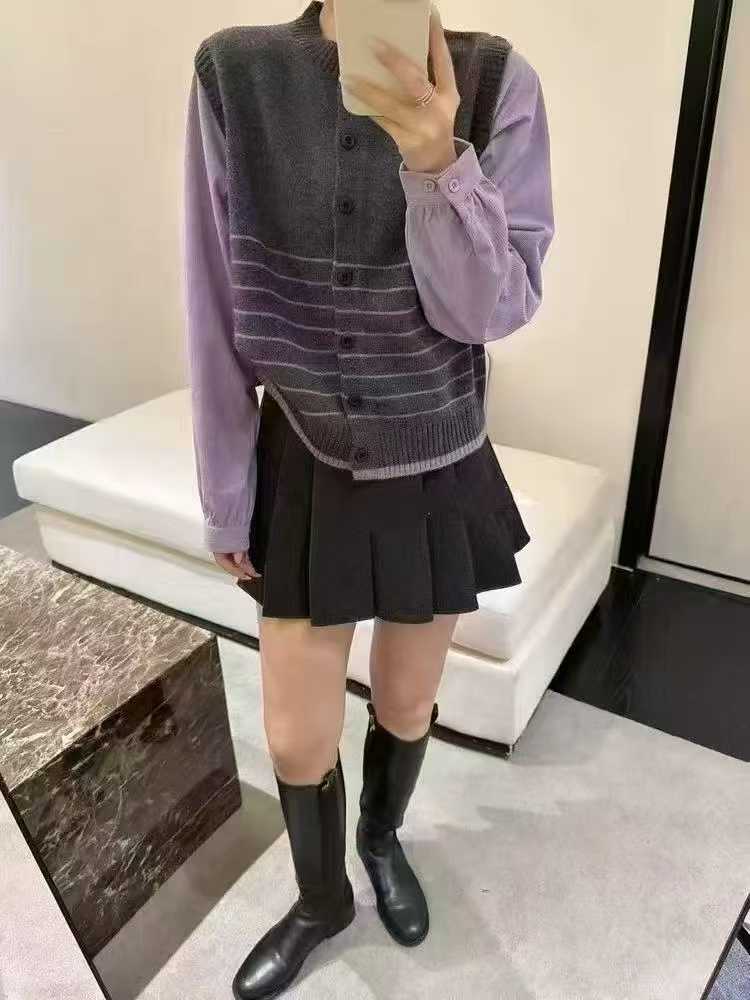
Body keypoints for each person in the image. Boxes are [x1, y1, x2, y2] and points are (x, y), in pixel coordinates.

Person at [183, 2, 553, 997]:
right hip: (305, 456)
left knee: (405, 698)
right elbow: (214, 299)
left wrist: (436, 159)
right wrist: (226, 492)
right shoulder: (236, 75)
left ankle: (381, 842)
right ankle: (320, 900)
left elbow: (490, 311)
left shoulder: (499, 81)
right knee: (296, 734)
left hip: (436, 452)